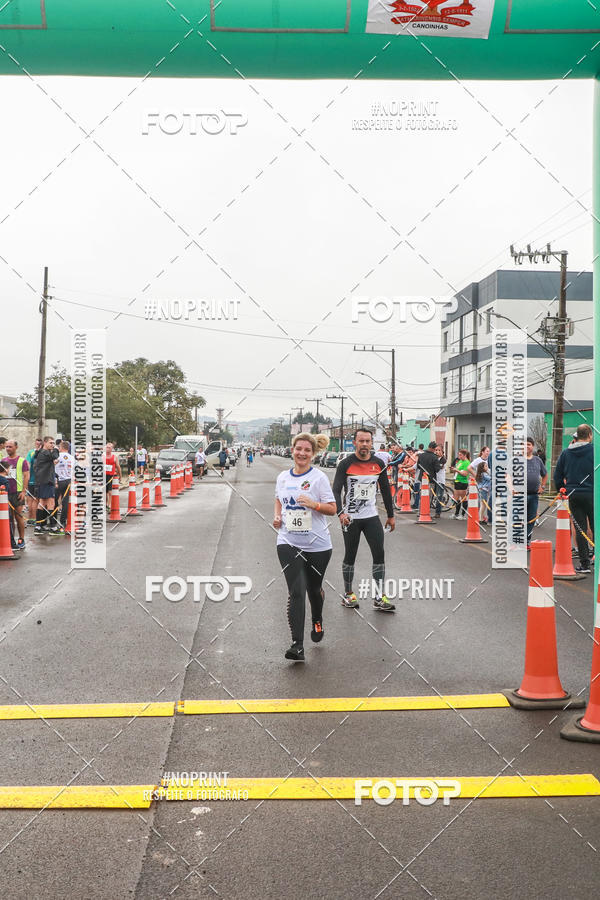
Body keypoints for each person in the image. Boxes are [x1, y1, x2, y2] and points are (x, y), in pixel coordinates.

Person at [273, 432, 336, 662]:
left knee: (313, 590)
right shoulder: (282, 477)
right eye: (298, 448)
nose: (302, 453)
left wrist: (314, 504)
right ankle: (297, 645)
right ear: (292, 449)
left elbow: (332, 508)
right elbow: (279, 499)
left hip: (318, 545)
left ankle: (317, 618)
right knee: (297, 591)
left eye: (307, 450)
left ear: (313, 454)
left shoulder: (318, 478)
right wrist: (278, 516)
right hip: (288, 542)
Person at [333, 428, 396, 612]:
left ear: (371, 443)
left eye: (368, 441)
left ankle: (379, 597)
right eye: (361, 441)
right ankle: (348, 594)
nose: (365, 444)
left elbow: (385, 490)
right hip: (350, 518)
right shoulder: (345, 464)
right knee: (350, 556)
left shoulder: (378, 463)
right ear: (355, 443)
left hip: (371, 517)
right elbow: (336, 490)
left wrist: (391, 516)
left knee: (379, 555)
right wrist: (340, 513)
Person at [554, 424, 594, 574]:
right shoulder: (595, 451)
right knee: (596, 527)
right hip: (592, 494)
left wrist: (561, 490)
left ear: (577, 435)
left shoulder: (566, 453)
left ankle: (584, 564)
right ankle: (597, 557)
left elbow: (557, 476)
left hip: (573, 494)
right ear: (589, 435)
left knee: (580, 528)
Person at [1, 439, 29, 550]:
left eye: (10, 447)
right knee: (8, 518)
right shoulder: (3, 460)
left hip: (17, 492)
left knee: (18, 516)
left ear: (16, 447)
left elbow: (26, 475)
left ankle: (21, 539)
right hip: (6, 492)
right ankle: (10, 539)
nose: (8, 449)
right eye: (6, 446)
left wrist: (23, 491)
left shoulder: (22, 461)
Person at [523, 437, 547, 547]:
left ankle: (527, 541)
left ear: (532, 446)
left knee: (531, 519)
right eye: (524, 444)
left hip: (533, 495)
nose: (527, 446)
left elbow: (545, 474)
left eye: (529, 444)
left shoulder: (538, 460)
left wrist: (542, 486)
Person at [33, 436, 59, 534]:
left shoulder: (41, 453)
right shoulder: (45, 452)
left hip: (43, 480)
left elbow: (46, 466)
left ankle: (39, 526)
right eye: (51, 443)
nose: (52, 445)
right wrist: (56, 449)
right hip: (46, 481)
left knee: (42, 502)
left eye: (53, 443)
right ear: (45, 443)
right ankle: (52, 527)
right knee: (50, 502)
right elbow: (55, 456)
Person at [416, 441, 441, 517]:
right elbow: (437, 469)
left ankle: (420, 511)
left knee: (422, 495)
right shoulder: (434, 457)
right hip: (431, 479)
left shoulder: (421, 455)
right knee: (428, 496)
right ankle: (426, 512)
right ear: (433, 449)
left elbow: (418, 466)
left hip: (422, 479)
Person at [54, 440, 74, 532]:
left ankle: (53, 522)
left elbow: (53, 468)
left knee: (54, 501)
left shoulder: (57, 456)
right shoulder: (72, 458)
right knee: (65, 502)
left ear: (61, 447)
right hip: (68, 481)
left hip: (58, 481)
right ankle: (63, 521)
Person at [25, 437, 42, 525]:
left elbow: (27, 465)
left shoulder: (30, 453)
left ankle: (29, 519)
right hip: (38, 481)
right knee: (36, 501)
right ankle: (34, 519)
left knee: (30, 501)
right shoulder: (42, 453)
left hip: (30, 479)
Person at [450, 448, 470, 518]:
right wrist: (454, 469)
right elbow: (457, 469)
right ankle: (456, 513)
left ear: (465, 455)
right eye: (459, 455)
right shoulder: (460, 461)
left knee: (463, 498)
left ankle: (463, 514)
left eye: (460, 455)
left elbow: (465, 473)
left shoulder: (467, 463)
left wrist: (457, 470)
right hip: (457, 480)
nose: (459, 456)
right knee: (456, 498)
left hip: (463, 481)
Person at [104, 443, 121, 507]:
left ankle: (109, 505)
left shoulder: (114, 457)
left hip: (110, 476)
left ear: (111, 449)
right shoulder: (102, 456)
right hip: (104, 476)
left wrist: (120, 476)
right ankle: (105, 504)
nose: (107, 449)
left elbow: (118, 467)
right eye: (107, 447)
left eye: (109, 448)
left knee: (110, 492)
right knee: (104, 492)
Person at [476, 460, 492, 525]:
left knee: (483, 504)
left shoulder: (481, 474)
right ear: (482, 468)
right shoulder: (484, 474)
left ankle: (481, 517)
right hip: (483, 490)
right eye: (486, 466)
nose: (487, 467)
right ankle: (480, 518)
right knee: (483, 505)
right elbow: (490, 479)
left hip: (482, 490)